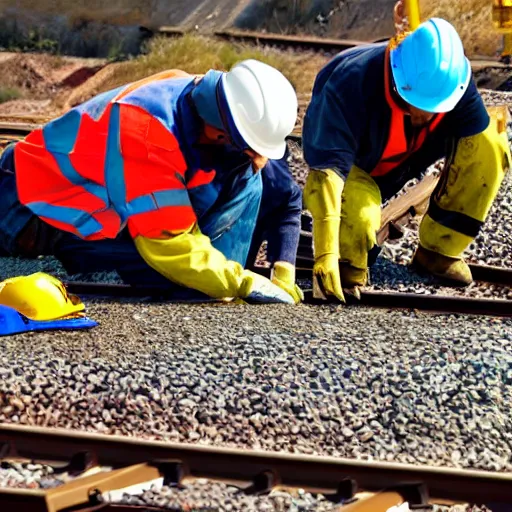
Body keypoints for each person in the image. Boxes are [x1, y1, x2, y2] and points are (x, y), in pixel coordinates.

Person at [0, 59, 304, 304]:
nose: (255, 159)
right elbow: (169, 243)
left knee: (245, 190)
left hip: (96, 198)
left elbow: (286, 195)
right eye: (249, 150)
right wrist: (241, 281)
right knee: (180, 278)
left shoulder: (214, 103)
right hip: (29, 207)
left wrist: (283, 269)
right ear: (221, 134)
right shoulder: (148, 130)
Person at [302, 14, 511, 303]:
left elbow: (478, 147)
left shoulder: (452, 82)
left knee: (490, 143)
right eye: (418, 104)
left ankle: (438, 252)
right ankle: (347, 263)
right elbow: (328, 175)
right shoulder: (350, 83)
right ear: (399, 79)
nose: (425, 115)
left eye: (436, 106)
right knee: (358, 219)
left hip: (403, 157)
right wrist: (325, 253)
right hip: (354, 166)